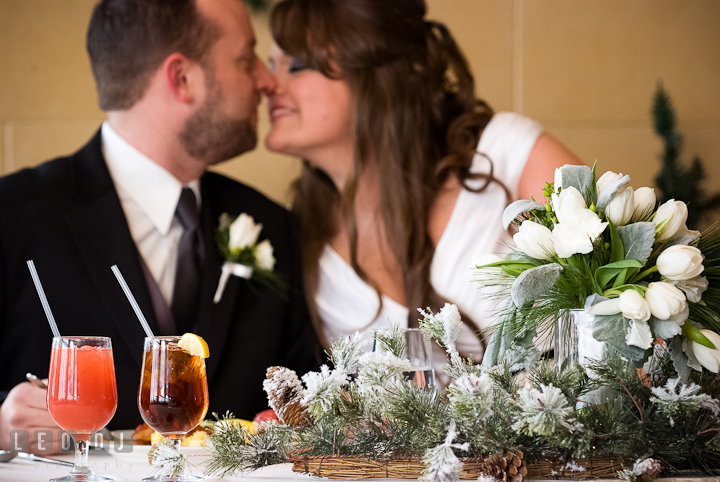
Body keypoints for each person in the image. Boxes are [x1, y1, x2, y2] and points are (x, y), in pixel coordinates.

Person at [0, 0, 319, 453]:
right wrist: (0, 421)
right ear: (182, 79)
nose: (267, 81)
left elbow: (309, 397)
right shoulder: (13, 216)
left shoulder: (271, 223)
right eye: (247, 58)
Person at [264, 0, 582, 372]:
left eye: (297, 66)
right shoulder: (298, 238)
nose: (269, 84)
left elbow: (622, 310)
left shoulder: (510, 156)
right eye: (272, 66)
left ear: (373, 77)